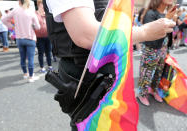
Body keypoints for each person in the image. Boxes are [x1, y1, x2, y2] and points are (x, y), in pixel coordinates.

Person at [43, 0, 175, 130]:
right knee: (93, 123)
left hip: (102, 74)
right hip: (88, 76)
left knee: (109, 122)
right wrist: (144, 32)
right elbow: (86, 35)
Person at [137, 0, 176, 106]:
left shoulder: (166, 13)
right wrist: (167, 19)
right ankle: (142, 94)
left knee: (159, 72)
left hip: (163, 49)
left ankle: (153, 90)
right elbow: (150, 35)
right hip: (151, 48)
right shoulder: (150, 13)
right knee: (147, 73)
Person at [2, 0, 40, 83]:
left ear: (19, 2)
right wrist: (32, 26)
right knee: (30, 58)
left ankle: (25, 74)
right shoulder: (31, 11)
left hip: (19, 38)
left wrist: (12, 27)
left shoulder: (15, 10)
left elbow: (4, 19)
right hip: (30, 38)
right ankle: (31, 77)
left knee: (22, 57)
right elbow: (37, 27)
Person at [35, 0, 53, 73]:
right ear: (39, 5)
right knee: (41, 53)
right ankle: (42, 67)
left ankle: (50, 66)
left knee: (48, 52)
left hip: (48, 36)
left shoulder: (47, 13)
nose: (44, 5)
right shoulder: (35, 14)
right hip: (39, 37)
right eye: (42, 4)